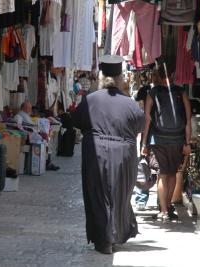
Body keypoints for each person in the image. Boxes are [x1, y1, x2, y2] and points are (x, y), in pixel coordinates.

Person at [72, 55, 145, 254]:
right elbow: (140, 124)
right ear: (121, 77)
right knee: (120, 194)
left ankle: (104, 239)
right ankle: (114, 234)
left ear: (102, 76)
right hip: (123, 154)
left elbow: (76, 120)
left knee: (97, 193)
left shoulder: (91, 100)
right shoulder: (130, 103)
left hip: (96, 152)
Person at [141, 64, 192, 222]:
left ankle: (163, 211)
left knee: (162, 175)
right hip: (177, 139)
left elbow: (147, 119)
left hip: (159, 139)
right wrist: (187, 143)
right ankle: (168, 207)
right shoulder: (181, 92)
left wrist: (144, 143)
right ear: (172, 75)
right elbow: (188, 120)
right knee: (172, 174)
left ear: (159, 76)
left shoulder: (152, 92)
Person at [15, 100, 60, 171]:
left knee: (46, 138)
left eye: (30, 108)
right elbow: (21, 126)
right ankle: (47, 163)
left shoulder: (25, 115)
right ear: (24, 108)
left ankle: (47, 162)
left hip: (32, 133)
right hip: (29, 135)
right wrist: (34, 131)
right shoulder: (20, 115)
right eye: (28, 108)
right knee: (45, 140)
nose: (30, 110)